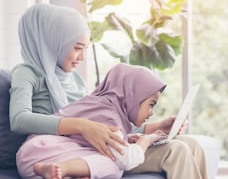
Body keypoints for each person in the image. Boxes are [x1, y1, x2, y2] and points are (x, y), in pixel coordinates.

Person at [9, 3, 208, 179]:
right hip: (67, 151)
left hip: (92, 147)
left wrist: (154, 127)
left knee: (192, 144)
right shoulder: (28, 73)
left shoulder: (75, 80)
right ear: (53, 41)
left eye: (85, 48)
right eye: (77, 48)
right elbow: (19, 119)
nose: (82, 57)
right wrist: (82, 126)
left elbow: (104, 126)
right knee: (176, 150)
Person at [17, 63, 168, 179]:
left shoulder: (97, 104)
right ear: (133, 96)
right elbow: (128, 159)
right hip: (45, 153)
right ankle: (64, 168)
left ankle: (64, 173)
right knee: (117, 166)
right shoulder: (109, 115)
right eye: (151, 104)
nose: (151, 113)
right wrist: (147, 140)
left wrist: (127, 139)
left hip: (29, 158)